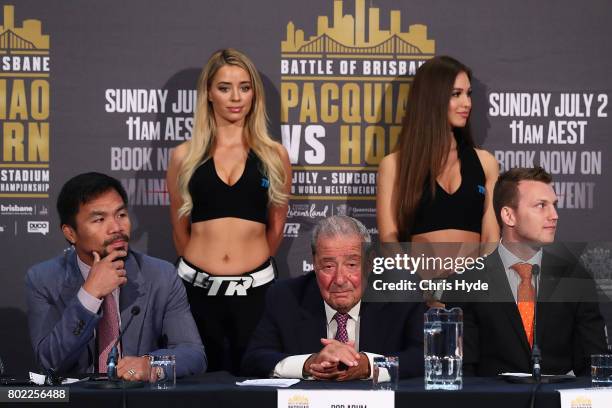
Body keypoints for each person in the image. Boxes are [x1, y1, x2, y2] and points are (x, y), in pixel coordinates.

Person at [166, 48, 291, 374]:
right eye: (224, 87)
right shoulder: (184, 156)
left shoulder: (275, 155)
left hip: (256, 294)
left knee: (255, 387)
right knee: (194, 389)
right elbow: (180, 230)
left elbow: (276, 227)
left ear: (255, 94)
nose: (236, 97)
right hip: (194, 294)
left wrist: (248, 270)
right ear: (208, 92)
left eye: (245, 87)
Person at [26, 172, 206, 380]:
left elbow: (193, 353)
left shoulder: (161, 276)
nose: (116, 228)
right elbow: (50, 363)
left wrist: (151, 366)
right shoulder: (43, 279)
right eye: (99, 219)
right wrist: (89, 295)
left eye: (121, 215)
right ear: (70, 233)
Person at [452, 167, 607, 376]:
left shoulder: (576, 280)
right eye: (541, 206)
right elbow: (463, 374)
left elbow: (594, 367)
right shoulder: (467, 283)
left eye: (554, 205)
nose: (554, 215)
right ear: (509, 215)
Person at [241, 216, 424, 380]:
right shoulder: (285, 297)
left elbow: (422, 355)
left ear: (369, 263)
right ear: (314, 264)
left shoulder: (401, 294)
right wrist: (309, 363)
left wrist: (370, 365)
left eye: (352, 264)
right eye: (328, 266)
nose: (340, 279)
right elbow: (255, 358)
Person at [376, 56, 499, 245]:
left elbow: (490, 239)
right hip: (416, 273)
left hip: (475, 274)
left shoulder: (486, 163)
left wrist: (479, 274)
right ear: (432, 98)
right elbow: (388, 239)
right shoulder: (393, 165)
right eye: (456, 94)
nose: (467, 103)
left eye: (469, 93)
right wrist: (409, 274)